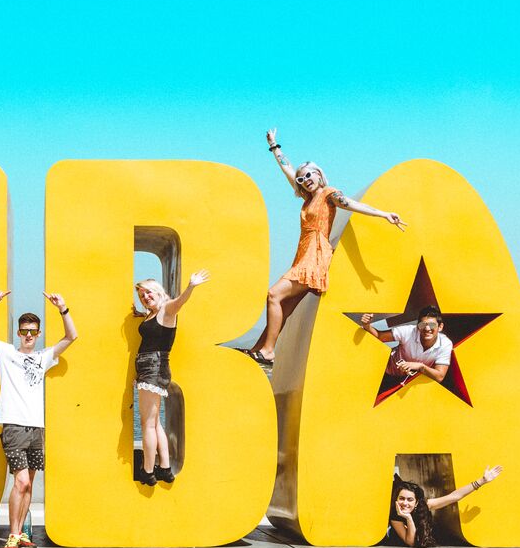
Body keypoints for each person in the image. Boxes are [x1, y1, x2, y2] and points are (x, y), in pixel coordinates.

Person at [242, 128, 408, 366]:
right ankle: (259, 347)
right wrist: (274, 146)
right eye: (302, 179)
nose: (305, 180)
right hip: (304, 254)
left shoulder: (329, 194)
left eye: (309, 175)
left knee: (273, 295)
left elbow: (350, 204)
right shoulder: (308, 198)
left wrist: (383, 214)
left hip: (315, 256)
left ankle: (268, 350)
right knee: (285, 307)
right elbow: (288, 171)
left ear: (319, 174)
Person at [0, 290, 77, 548]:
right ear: (18, 333)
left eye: (32, 331)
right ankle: (13, 535)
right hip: (14, 427)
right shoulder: (5, 353)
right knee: (21, 483)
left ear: (38, 333)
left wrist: (62, 308)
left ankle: (20, 535)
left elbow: (71, 336)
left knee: (29, 483)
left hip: (36, 428)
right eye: (24, 331)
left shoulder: (44, 357)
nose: (28, 335)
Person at [133, 272, 208, 486]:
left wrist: (191, 286)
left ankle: (148, 470)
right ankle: (165, 467)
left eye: (148, 292)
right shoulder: (152, 314)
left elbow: (179, 303)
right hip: (152, 367)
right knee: (155, 423)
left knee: (147, 424)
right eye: (141, 295)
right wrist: (140, 313)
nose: (145, 297)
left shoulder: (167, 310)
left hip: (153, 367)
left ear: (159, 292)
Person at [389, 466, 504, 547]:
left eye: (410, 500)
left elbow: (454, 496)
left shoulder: (424, 506)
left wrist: (482, 481)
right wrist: (408, 518)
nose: (405, 503)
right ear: (396, 499)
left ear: (417, 502)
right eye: (401, 498)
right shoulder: (395, 514)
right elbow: (410, 542)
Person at [360, 306, 453, 383]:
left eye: (432, 325)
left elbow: (439, 376)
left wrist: (421, 367)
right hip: (386, 375)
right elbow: (380, 336)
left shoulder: (445, 344)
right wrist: (367, 325)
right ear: (418, 326)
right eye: (423, 325)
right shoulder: (408, 331)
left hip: (412, 382)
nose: (427, 328)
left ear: (440, 327)